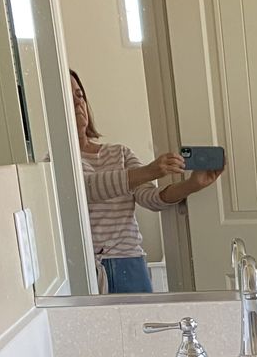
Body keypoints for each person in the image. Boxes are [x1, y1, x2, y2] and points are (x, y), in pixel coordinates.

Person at [71, 70, 222, 293]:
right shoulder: (57, 163)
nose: (77, 103)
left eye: (80, 95)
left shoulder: (119, 153)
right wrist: (149, 171)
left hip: (129, 263)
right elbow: (86, 188)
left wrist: (192, 184)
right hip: (84, 270)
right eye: (69, 96)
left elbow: (150, 198)